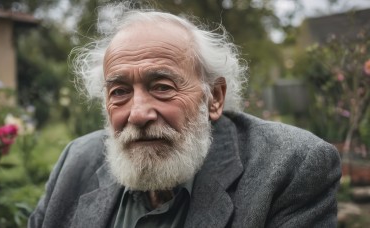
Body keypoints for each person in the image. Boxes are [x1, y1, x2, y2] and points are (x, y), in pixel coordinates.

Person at [28, 2, 341, 228]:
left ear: (214, 98)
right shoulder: (75, 161)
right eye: (120, 91)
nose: (137, 114)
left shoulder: (292, 168)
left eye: (162, 87)